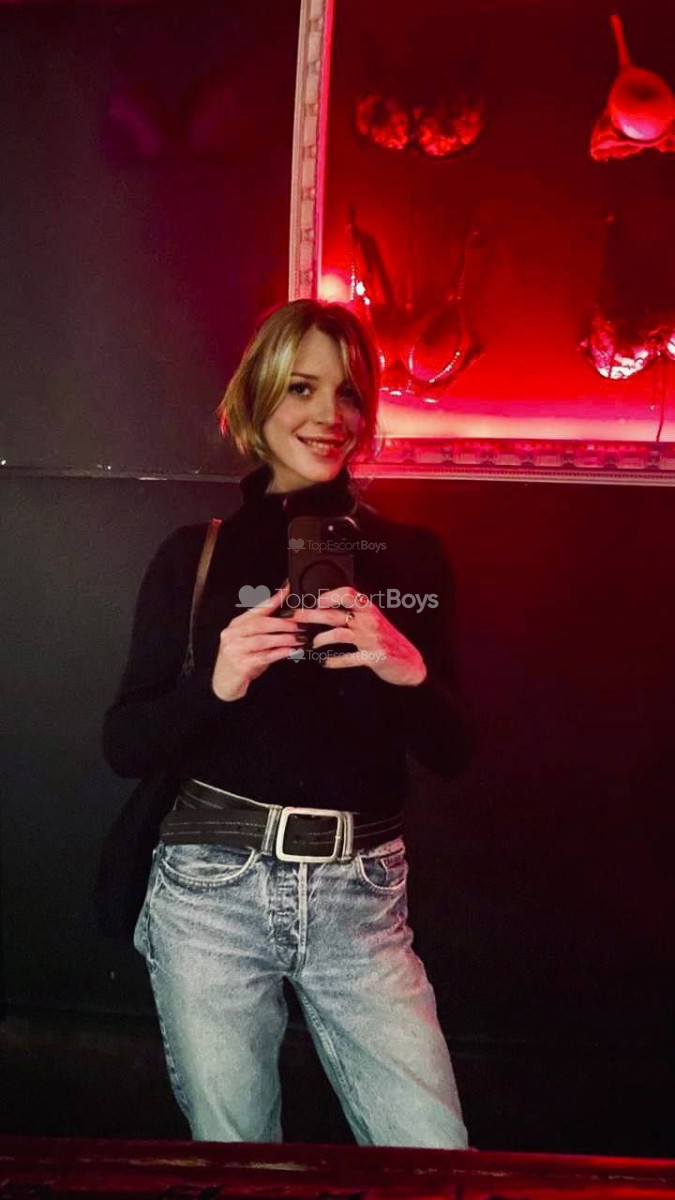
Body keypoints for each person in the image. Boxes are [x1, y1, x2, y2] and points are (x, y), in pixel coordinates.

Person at [102, 298, 474, 1147]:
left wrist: (408, 671)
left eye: (348, 394)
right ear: (256, 395)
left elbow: (454, 751)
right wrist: (216, 683)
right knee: (236, 1154)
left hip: (361, 894)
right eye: (302, 387)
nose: (329, 415)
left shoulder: (412, 555)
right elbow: (123, 744)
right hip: (212, 886)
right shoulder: (193, 555)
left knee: (432, 1154)